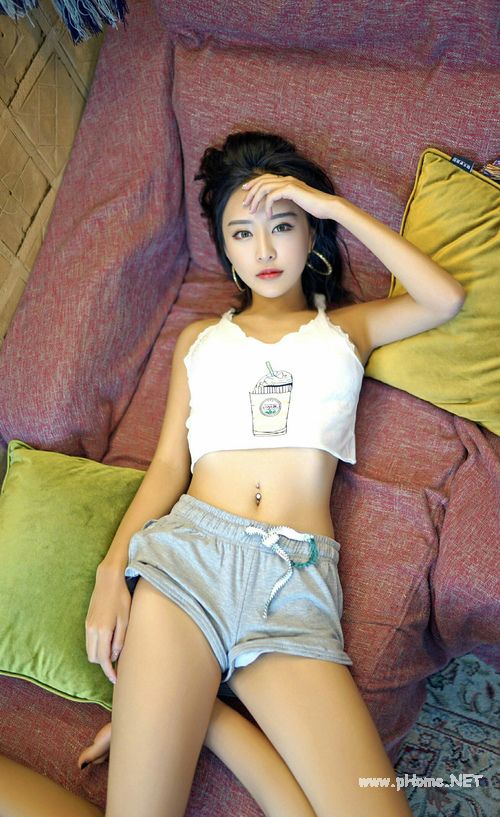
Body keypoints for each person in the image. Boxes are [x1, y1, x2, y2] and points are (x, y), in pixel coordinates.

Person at [0, 130, 465, 817]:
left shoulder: (347, 331)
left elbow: (443, 298)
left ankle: (208, 718)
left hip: (292, 587)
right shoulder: (200, 341)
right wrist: (110, 574)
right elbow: (168, 466)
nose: (265, 251)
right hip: (188, 565)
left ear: (311, 233)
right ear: (225, 249)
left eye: (283, 225)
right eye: (242, 233)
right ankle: (191, 708)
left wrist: (333, 207)